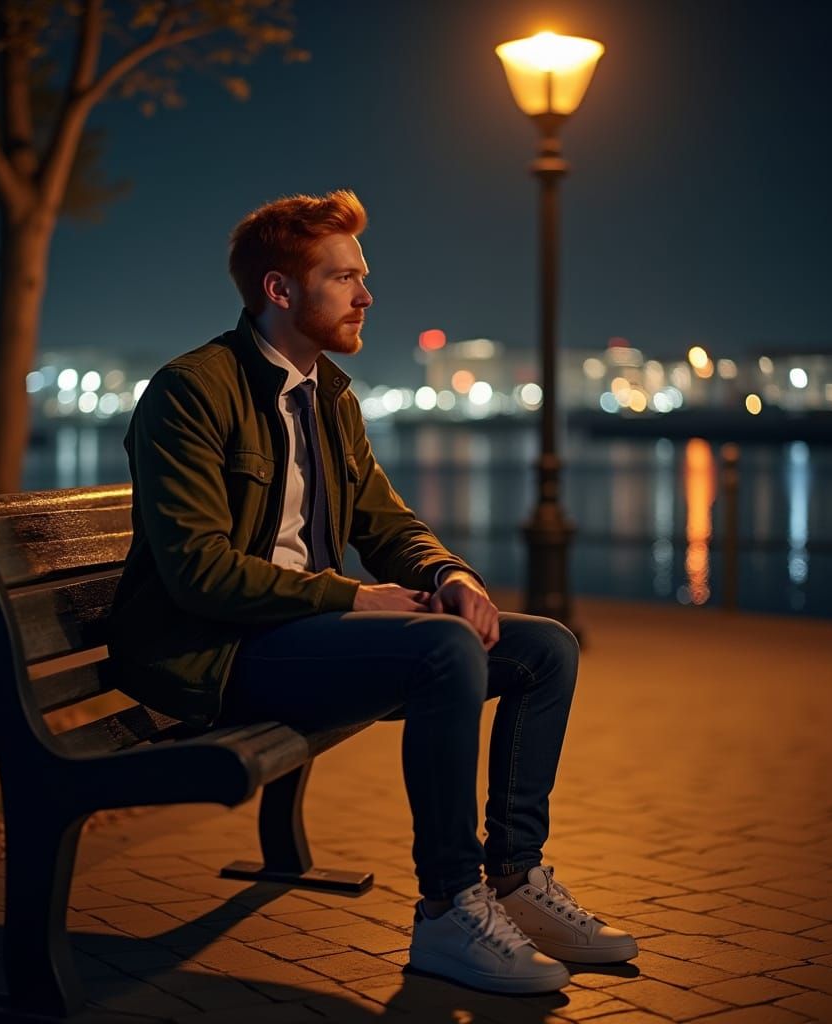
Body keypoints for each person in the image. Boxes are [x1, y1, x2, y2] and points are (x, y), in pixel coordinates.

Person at [107, 189, 638, 994]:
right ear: (280, 290)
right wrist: (357, 601)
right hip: (213, 656)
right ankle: (448, 909)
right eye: (344, 277)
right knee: (440, 651)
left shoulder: (329, 397)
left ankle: (516, 881)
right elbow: (198, 571)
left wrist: (449, 576)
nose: (367, 296)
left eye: (364, 276)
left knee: (545, 650)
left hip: (293, 640)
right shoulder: (193, 391)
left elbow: (386, 523)